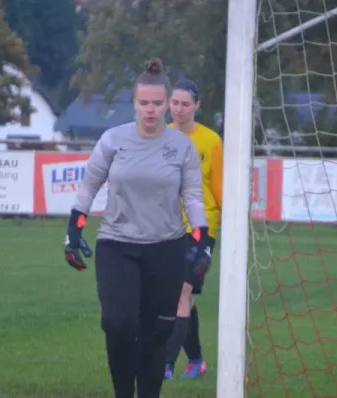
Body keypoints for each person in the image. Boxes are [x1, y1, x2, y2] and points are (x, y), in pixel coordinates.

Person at [63, 58, 212, 398]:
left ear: (167, 104)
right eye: (144, 103)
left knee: (156, 334)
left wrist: (201, 241)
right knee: (118, 325)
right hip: (118, 246)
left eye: (158, 103)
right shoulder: (113, 140)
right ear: (133, 103)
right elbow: (88, 187)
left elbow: (191, 196)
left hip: (166, 249)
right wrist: (74, 229)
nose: (151, 110)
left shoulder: (182, 147)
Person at [164, 79, 223, 380]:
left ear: (197, 106)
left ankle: (166, 363)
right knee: (183, 296)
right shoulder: (160, 136)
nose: (179, 109)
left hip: (202, 226)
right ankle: (197, 360)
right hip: (166, 227)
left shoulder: (211, 141)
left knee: (182, 291)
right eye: (174, 102)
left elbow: (219, 187)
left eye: (185, 103)